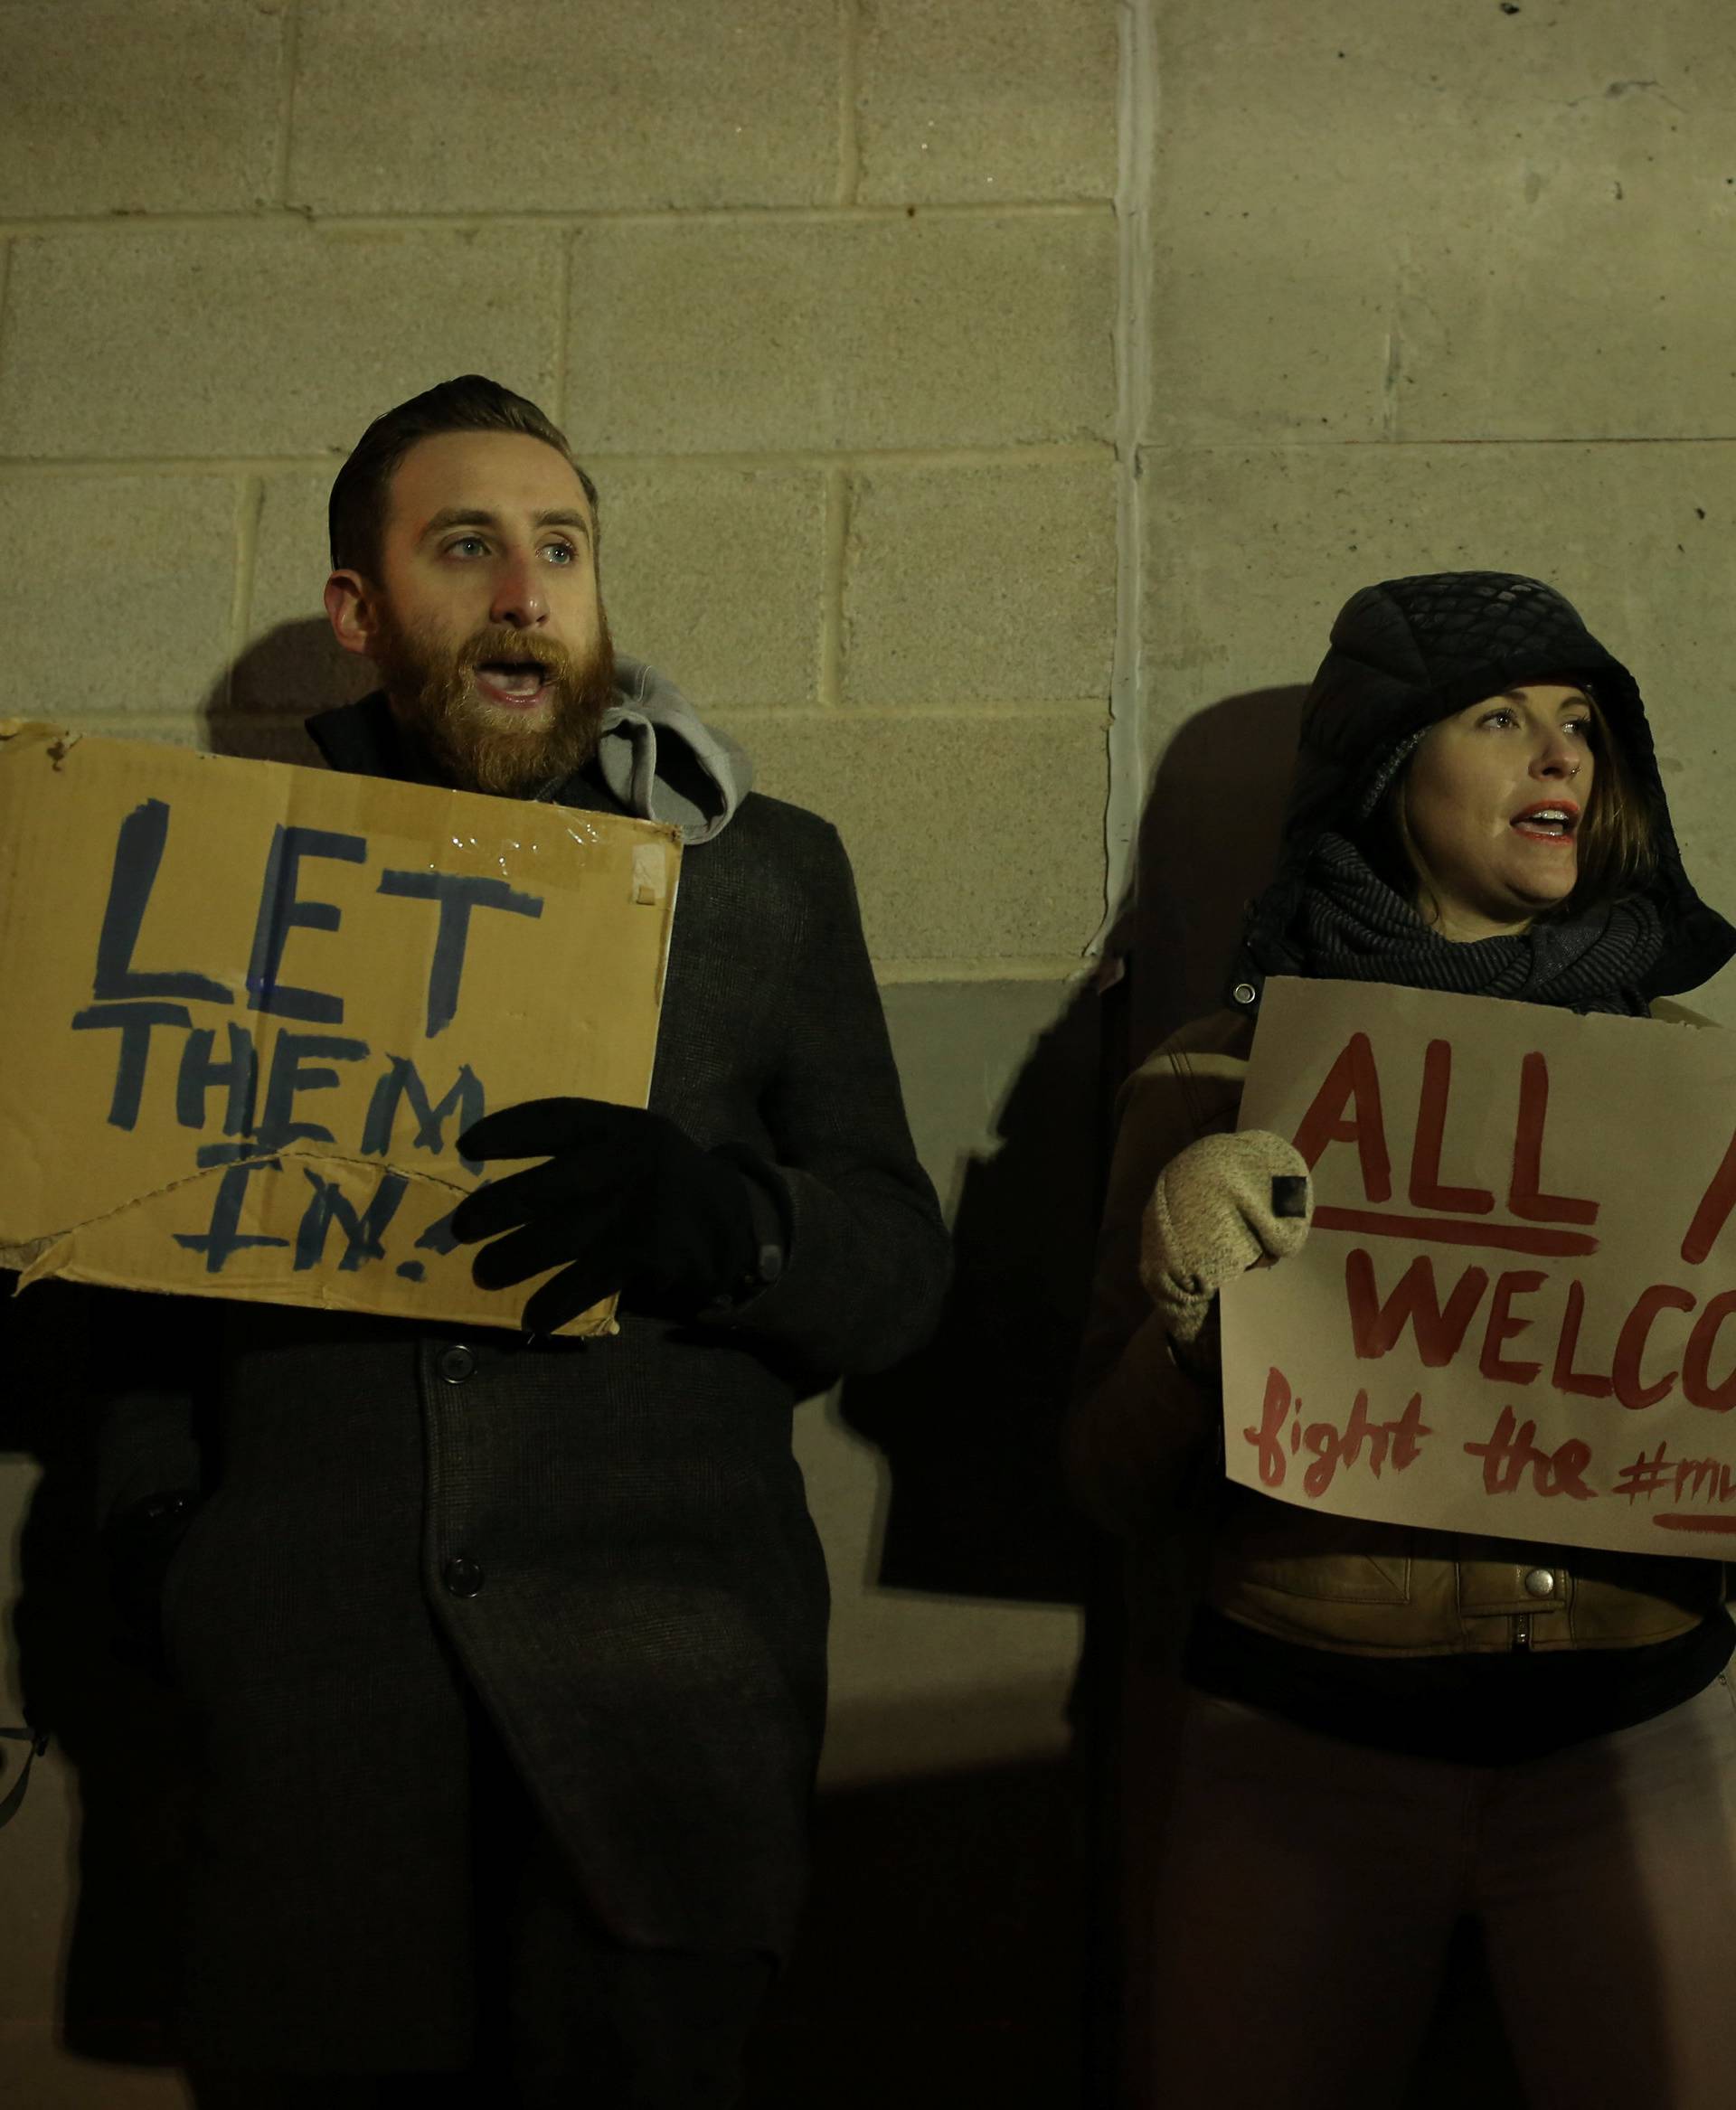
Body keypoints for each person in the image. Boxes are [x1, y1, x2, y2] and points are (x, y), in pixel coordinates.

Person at [92, 375, 950, 2108]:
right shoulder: (216, 885)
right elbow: (132, 1303)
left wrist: (736, 1226)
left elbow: (900, 1271)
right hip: (319, 1722)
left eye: (559, 547)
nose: (523, 590)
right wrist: (179, 1552)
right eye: (466, 545)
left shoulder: (762, 877)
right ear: (362, 610)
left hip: (663, 1714)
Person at [1069, 571, 1736, 2110]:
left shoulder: (1695, 1100)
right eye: (1501, 718)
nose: (1561, 757)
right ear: (1382, 766)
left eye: (1584, 725)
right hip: (1301, 1754)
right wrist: (1183, 1332)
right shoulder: (1217, 1081)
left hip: (1636, 1746)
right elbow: (1100, 1487)